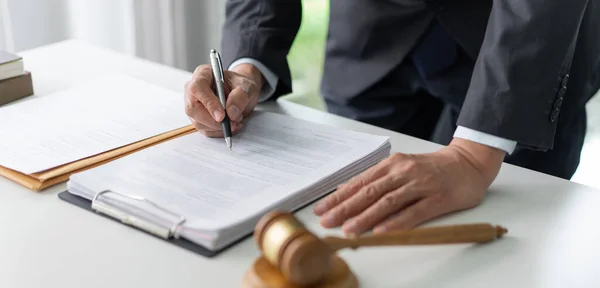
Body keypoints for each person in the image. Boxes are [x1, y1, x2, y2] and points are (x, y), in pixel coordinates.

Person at [184, 0, 600, 235]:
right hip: (370, 39)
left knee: (508, 245)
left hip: (525, 55)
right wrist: (248, 64)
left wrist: (476, 156)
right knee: (356, 225)